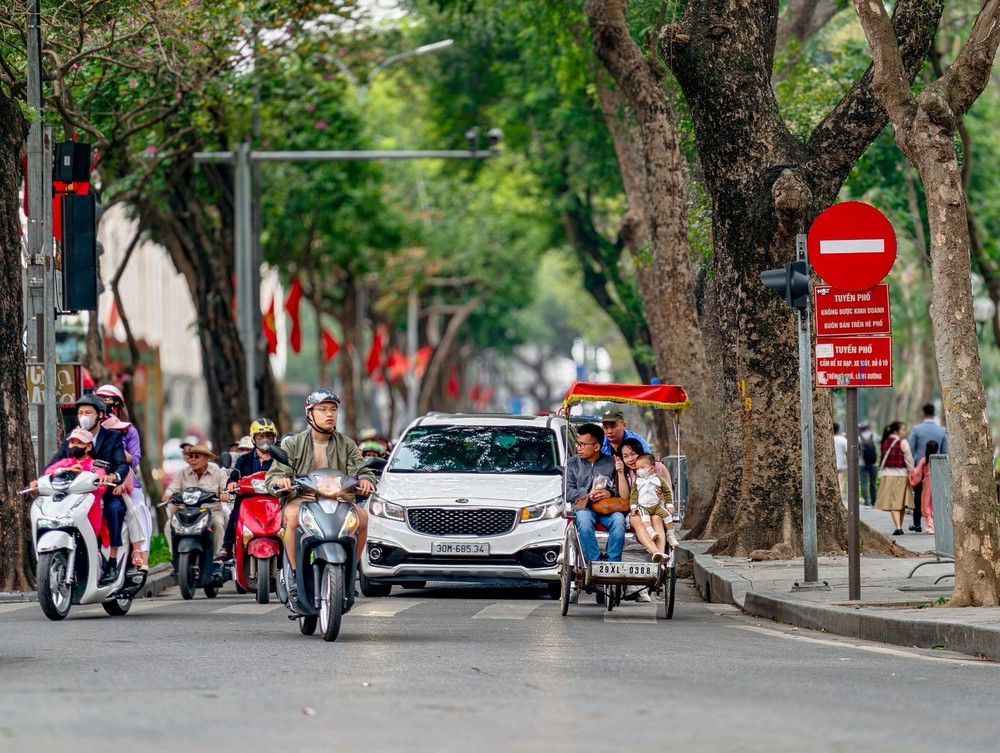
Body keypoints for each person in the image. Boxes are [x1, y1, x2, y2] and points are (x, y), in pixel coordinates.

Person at [265, 390, 376, 601]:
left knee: (362, 518)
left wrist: (366, 480)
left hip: (339, 500)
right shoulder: (292, 443)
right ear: (310, 413)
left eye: (333, 409)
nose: (329, 414)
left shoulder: (347, 444)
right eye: (323, 409)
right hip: (303, 500)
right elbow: (275, 475)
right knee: (293, 520)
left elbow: (363, 470)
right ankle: (296, 576)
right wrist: (282, 481)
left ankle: (351, 574)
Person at [43, 394, 129, 583]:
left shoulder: (112, 437)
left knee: (115, 509)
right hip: (74, 492)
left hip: (104, 491)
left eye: (88, 412)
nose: (83, 416)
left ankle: (113, 561)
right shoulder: (71, 438)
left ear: (100, 415)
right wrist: (43, 479)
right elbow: (56, 462)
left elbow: (122, 464)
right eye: (80, 412)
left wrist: (114, 477)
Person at [565, 423, 626, 601]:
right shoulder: (572, 464)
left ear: (597, 446)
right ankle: (596, 564)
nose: (579, 448)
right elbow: (568, 493)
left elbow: (618, 490)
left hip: (607, 508)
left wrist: (608, 492)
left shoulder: (610, 462)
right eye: (578, 444)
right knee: (583, 523)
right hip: (584, 508)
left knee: (619, 522)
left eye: (584, 444)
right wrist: (588, 493)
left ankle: (613, 568)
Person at [95, 383, 152, 571]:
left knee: (137, 509)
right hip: (95, 482)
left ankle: (140, 555)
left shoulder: (127, 431)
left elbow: (134, 461)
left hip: (124, 482)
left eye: (108, 404)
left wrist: (117, 448)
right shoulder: (90, 432)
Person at [161, 442, 233, 576]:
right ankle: (176, 559)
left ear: (207, 458)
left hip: (212, 511)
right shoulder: (182, 473)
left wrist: (225, 493)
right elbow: (172, 489)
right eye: (191, 456)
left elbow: (226, 487)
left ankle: (217, 562)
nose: (193, 459)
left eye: (197, 456)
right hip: (187, 512)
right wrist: (168, 495)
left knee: (218, 522)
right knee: (168, 525)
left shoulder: (217, 471)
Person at [218, 418, 277, 562]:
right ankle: (226, 547)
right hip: (248, 499)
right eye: (261, 436)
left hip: (274, 499)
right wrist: (231, 484)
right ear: (254, 438)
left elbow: (289, 474)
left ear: (274, 438)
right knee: (235, 514)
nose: (265, 440)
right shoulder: (244, 460)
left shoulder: (280, 458)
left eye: (269, 436)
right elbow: (233, 477)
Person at [41, 427, 109, 545]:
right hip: (63, 508)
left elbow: (101, 484)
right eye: (72, 442)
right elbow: (49, 472)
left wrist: (100, 480)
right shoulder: (65, 463)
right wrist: (67, 470)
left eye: (79, 442)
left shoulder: (95, 466)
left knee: (89, 541)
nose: (74, 445)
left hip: (89, 510)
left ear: (88, 447)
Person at [619, 441, 680, 554]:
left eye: (633, 454)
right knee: (637, 519)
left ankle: (660, 556)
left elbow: (669, 492)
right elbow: (626, 497)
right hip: (638, 510)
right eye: (625, 456)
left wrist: (663, 498)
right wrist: (620, 473)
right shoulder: (626, 472)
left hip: (657, 506)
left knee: (656, 518)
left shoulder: (658, 467)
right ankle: (657, 552)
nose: (630, 459)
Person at [908, 404, 948, 533]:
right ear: (934, 414)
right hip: (936, 470)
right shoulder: (942, 431)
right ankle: (935, 523)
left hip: (919, 469)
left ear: (923, 414)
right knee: (934, 497)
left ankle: (917, 524)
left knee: (919, 497)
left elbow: (910, 451)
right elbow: (944, 451)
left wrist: (914, 468)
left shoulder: (916, 429)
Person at [875, 421, 914, 536]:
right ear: (897, 431)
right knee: (899, 503)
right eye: (903, 430)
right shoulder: (903, 442)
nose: (904, 432)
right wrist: (912, 472)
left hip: (888, 476)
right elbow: (909, 459)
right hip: (901, 475)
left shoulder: (885, 442)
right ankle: (898, 527)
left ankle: (899, 527)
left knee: (895, 503)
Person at [909, 439, 939, 535]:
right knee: (935, 504)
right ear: (937, 449)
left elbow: (917, 472)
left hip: (927, 486)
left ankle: (930, 527)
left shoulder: (924, 460)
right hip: (938, 485)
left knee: (927, 505)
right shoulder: (939, 459)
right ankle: (937, 526)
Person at [859, 423, 879, 507]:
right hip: (874, 464)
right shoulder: (874, 436)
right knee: (873, 483)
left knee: (864, 483)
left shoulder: (859, 438)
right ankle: (874, 501)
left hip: (862, 464)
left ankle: (867, 501)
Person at [833, 422, 848, 503]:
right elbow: (847, 453)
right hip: (842, 465)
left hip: (831, 466)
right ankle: (840, 499)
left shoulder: (828, 439)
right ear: (838, 430)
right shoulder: (843, 440)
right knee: (841, 483)